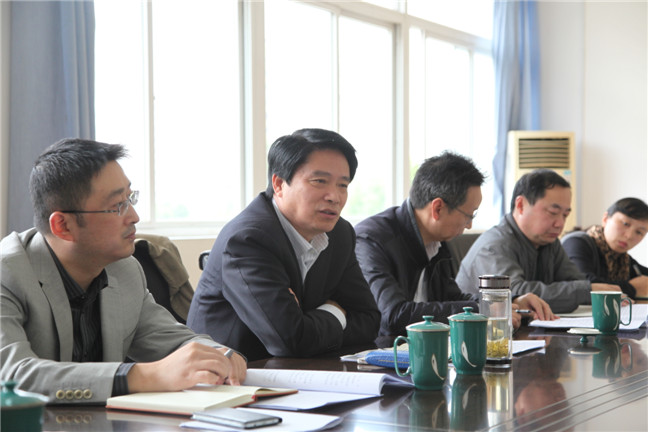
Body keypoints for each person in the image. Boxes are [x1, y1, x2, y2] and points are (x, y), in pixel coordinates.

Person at [0, 139, 246, 404]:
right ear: (63, 226)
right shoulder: (7, 274)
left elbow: (170, 339)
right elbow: (12, 376)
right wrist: (144, 376)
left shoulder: (124, 269)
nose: (134, 216)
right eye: (118, 205)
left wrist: (219, 355)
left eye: (130, 198)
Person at [187, 128, 381, 361]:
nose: (334, 196)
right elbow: (290, 340)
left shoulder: (340, 234)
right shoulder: (248, 240)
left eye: (343, 185)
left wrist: (306, 323)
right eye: (319, 181)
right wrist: (335, 311)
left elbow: (370, 320)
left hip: (302, 371)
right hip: (235, 373)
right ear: (279, 184)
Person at [354, 152, 555, 337]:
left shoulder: (437, 242)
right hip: (383, 356)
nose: (469, 225)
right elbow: (393, 315)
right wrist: (483, 310)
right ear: (438, 208)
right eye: (469, 215)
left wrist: (507, 302)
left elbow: (453, 298)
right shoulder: (372, 240)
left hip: (428, 350)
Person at [456, 168, 620, 313]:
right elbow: (515, 293)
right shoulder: (494, 246)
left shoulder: (548, 241)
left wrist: (589, 289)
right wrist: (585, 290)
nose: (560, 223)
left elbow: (575, 281)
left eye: (565, 215)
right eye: (553, 212)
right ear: (521, 205)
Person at [562, 197, 648, 299]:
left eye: (639, 232)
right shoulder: (576, 243)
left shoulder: (622, 259)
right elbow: (584, 286)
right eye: (625, 224)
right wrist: (632, 288)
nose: (629, 236)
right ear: (605, 219)